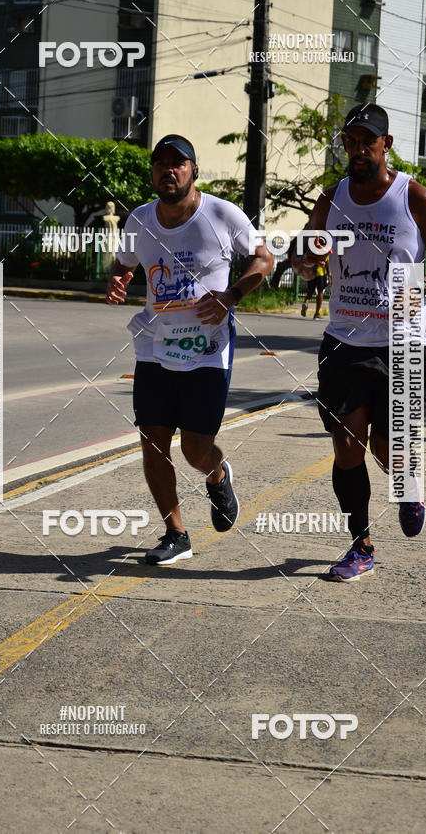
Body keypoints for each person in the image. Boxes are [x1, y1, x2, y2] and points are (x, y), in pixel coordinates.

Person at [293, 104, 426, 582]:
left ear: (386, 145)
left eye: (366, 141)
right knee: (347, 443)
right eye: (350, 141)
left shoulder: (413, 196)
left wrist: (424, 285)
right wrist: (307, 260)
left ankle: (409, 488)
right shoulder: (332, 198)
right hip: (344, 341)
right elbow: (303, 255)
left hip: (404, 344)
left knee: (390, 451)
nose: (357, 149)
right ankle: (360, 545)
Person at [107, 134, 273, 565]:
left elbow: (263, 259)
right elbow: (123, 263)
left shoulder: (221, 213)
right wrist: (119, 279)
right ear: (153, 173)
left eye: (178, 163)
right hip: (154, 346)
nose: (168, 169)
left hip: (206, 350)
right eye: (160, 163)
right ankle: (176, 533)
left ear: (193, 171)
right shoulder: (139, 221)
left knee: (194, 450)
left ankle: (217, 475)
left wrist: (231, 296)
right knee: (153, 439)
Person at [300, 253, 330, 319]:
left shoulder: (311, 249)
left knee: (310, 291)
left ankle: (305, 302)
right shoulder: (324, 250)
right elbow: (327, 262)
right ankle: (317, 313)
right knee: (320, 292)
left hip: (311, 273)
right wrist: (329, 275)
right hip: (320, 273)